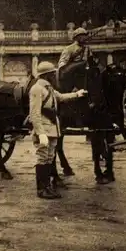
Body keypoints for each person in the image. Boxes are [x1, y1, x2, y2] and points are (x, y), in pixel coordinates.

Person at [29, 62, 88, 199]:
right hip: (44, 130)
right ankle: (41, 189)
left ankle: (48, 186)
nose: (54, 76)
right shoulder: (37, 89)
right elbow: (34, 114)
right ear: (46, 75)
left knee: (49, 158)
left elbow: (61, 97)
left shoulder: (48, 88)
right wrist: (40, 133)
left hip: (53, 129)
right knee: (42, 158)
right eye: (52, 74)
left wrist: (77, 94)